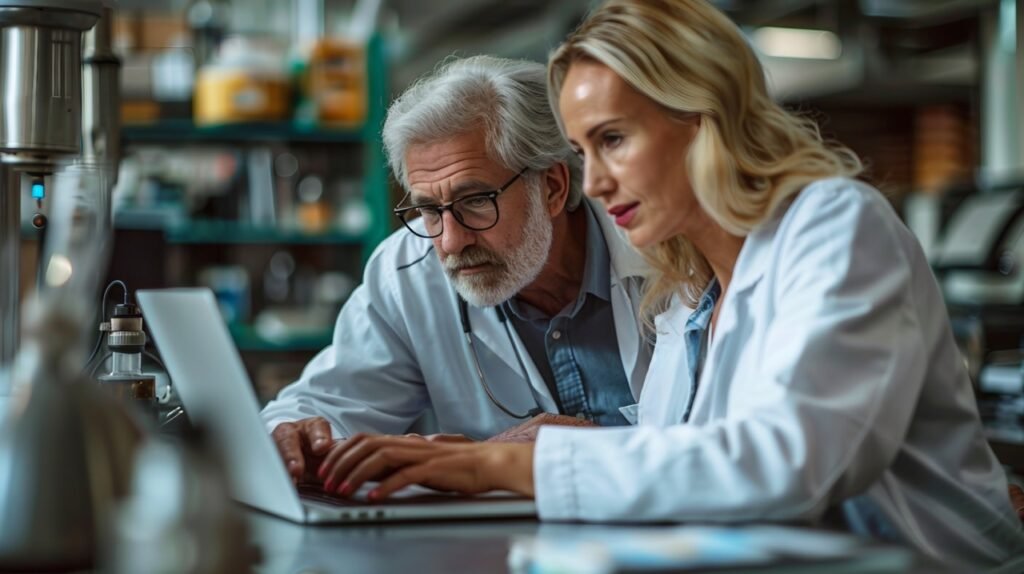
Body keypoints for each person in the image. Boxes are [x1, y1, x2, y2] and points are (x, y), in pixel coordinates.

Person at [313, 1, 1024, 570]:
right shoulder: (689, 290)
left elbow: (786, 463)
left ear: (700, 118)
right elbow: (679, 469)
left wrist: (492, 464)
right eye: (585, 149)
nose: (591, 182)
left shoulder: (835, 223)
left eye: (613, 140)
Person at [261, 55, 653, 483]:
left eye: (476, 201)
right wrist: (294, 434)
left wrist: (566, 453)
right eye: (429, 210)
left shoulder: (661, 252)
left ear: (553, 187)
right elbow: (316, 406)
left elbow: (720, 447)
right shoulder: (407, 273)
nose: (450, 242)